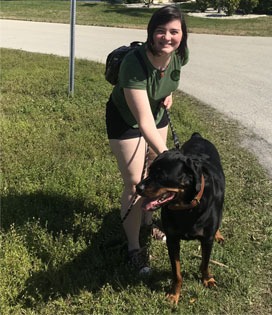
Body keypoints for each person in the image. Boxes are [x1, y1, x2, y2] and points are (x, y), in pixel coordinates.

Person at [105, 5, 189, 274]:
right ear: (151, 33)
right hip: (126, 120)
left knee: (154, 173)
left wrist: (169, 94)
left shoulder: (179, 55)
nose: (167, 37)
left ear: (182, 35)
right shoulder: (134, 63)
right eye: (160, 31)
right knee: (135, 183)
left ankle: (148, 222)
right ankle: (133, 247)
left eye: (174, 31)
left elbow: (169, 80)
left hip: (156, 111)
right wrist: (171, 158)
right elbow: (143, 123)